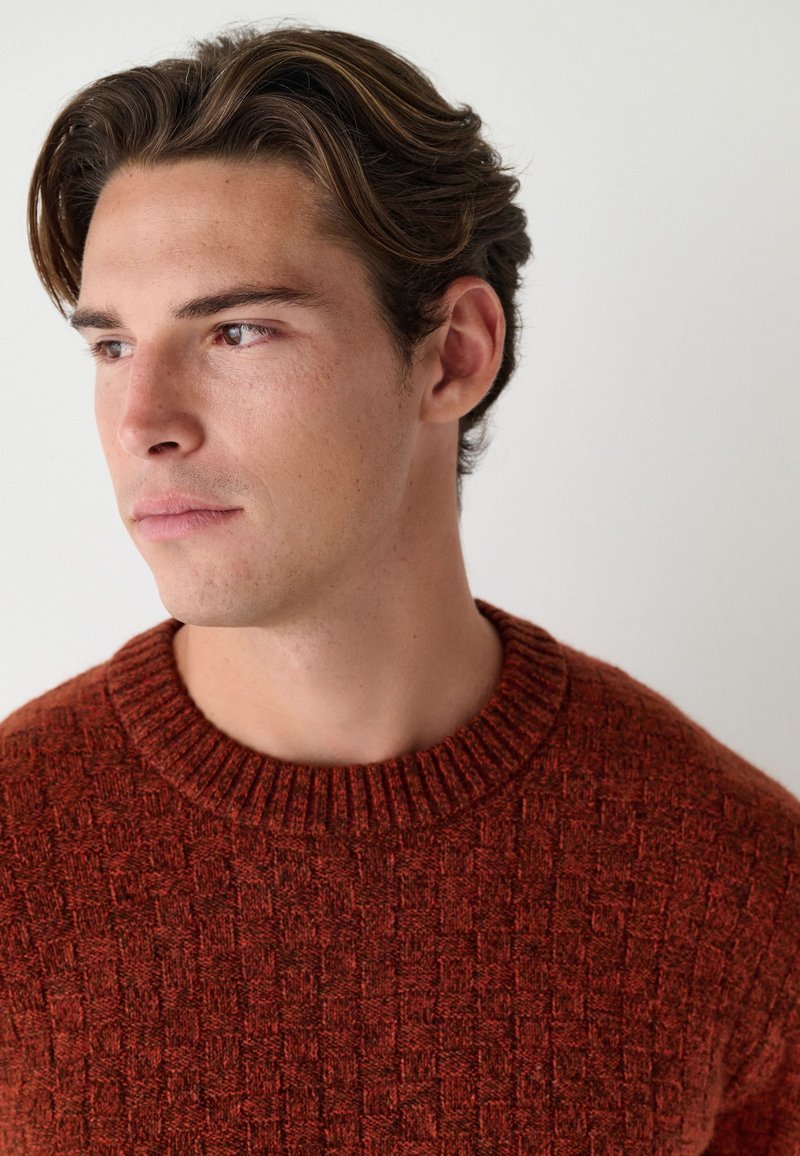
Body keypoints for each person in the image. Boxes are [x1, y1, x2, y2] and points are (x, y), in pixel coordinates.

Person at [1, 24, 798, 1154]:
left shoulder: (736, 885)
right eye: (113, 348)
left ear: (453, 353)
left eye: (237, 330)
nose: (144, 424)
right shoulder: (19, 853)